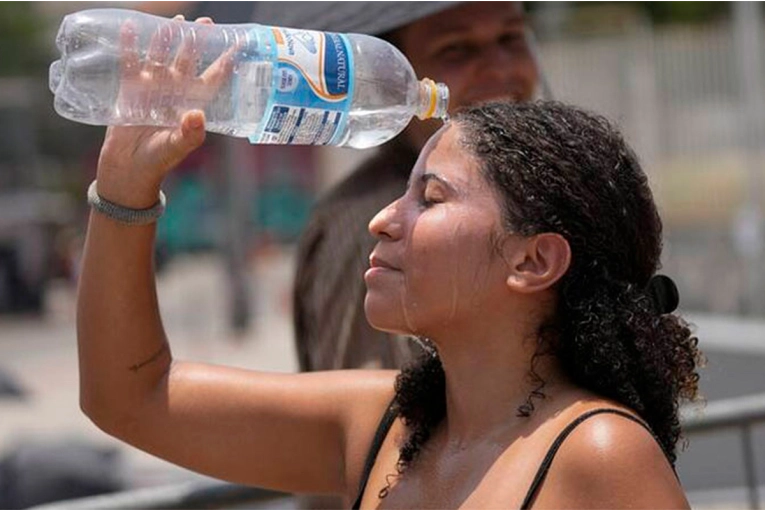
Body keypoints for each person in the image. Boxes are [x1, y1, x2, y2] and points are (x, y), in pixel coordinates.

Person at [76, 22, 701, 502]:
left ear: (534, 259)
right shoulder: (381, 426)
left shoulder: (600, 454)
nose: (382, 219)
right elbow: (130, 395)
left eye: (429, 197)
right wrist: (124, 189)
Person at [290, 0, 541, 371]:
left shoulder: (530, 193)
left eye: (510, 38)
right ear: (389, 77)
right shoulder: (370, 225)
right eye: (456, 49)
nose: (500, 68)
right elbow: (365, 417)